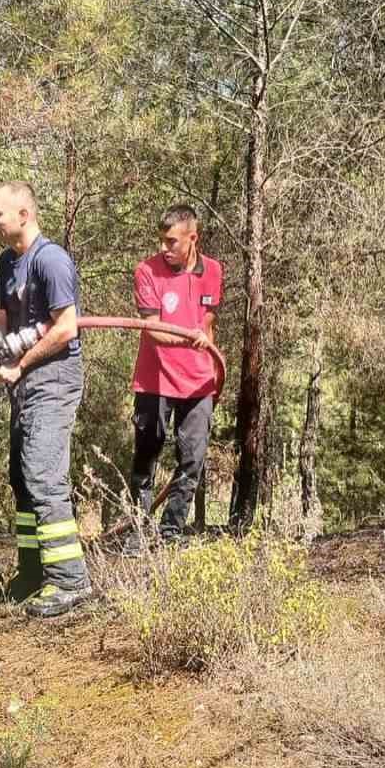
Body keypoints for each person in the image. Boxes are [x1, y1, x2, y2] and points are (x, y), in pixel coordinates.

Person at [0, 180, 92, 618]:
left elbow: (66, 327)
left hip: (54, 378)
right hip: (23, 381)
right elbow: (0, 320)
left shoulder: (51, 261)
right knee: (21, 476)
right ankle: (32, 573)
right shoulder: (5, 264)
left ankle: (70, 581)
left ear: (23, 215)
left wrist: (20, 363)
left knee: (44, 474)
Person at [125, 204, 223, 549]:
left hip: (198, 381)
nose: (165, 249)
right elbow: (152, 330)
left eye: (172, 242)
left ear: (192, 238)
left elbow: (206, 325)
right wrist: (189, 336)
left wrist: (202, 338)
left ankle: (171, 533)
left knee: (192, 458)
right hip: (155, 380)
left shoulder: (212, 270)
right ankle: (138, 531)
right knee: (146, 454)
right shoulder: (146, 271)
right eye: (162, 242)